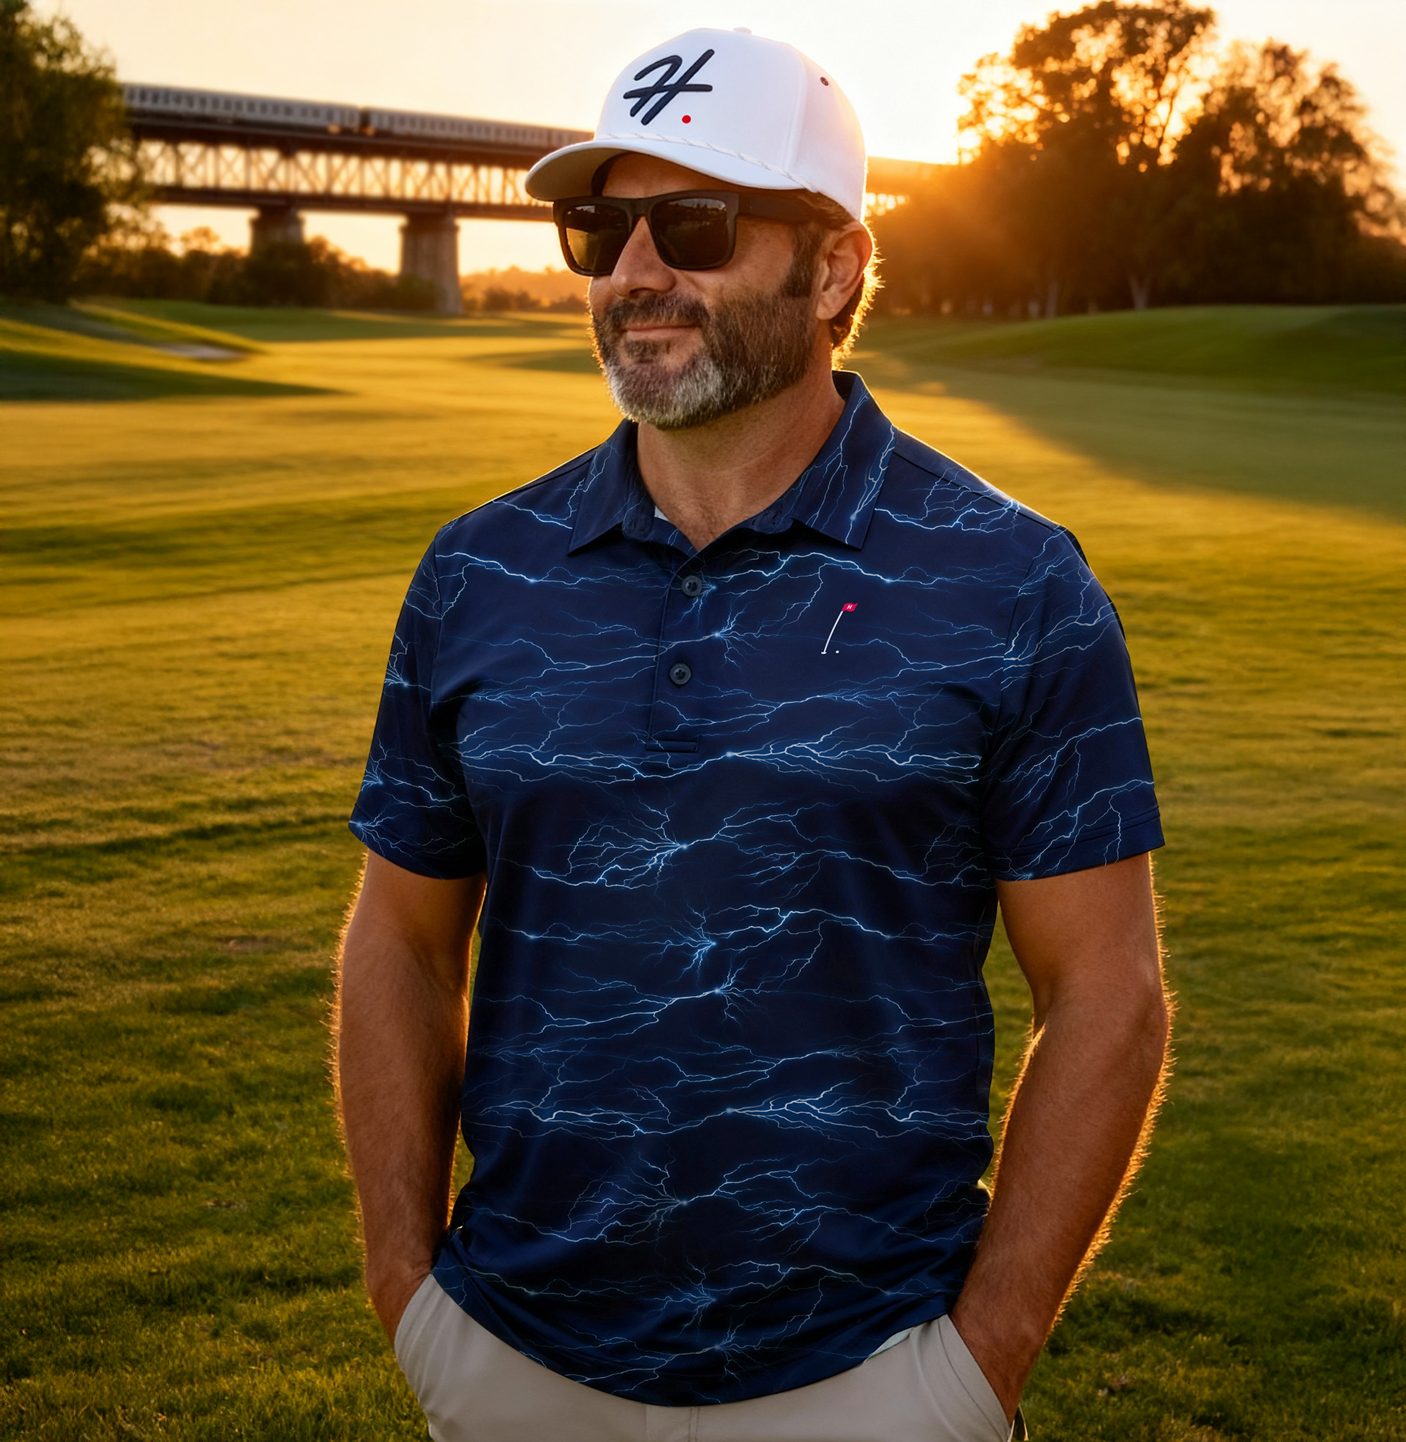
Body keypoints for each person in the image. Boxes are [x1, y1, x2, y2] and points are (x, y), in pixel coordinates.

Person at [336, 26, 1170, 1442]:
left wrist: (977, 1365)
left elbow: (1107, 992)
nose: (634, 272)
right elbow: (403, 943)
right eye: (599, 228)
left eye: (696, 225)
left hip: (871, 1376)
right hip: (514, 1361)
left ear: (833, 268)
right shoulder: (480, 571)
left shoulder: (1011, 579)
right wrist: (408, 1295)